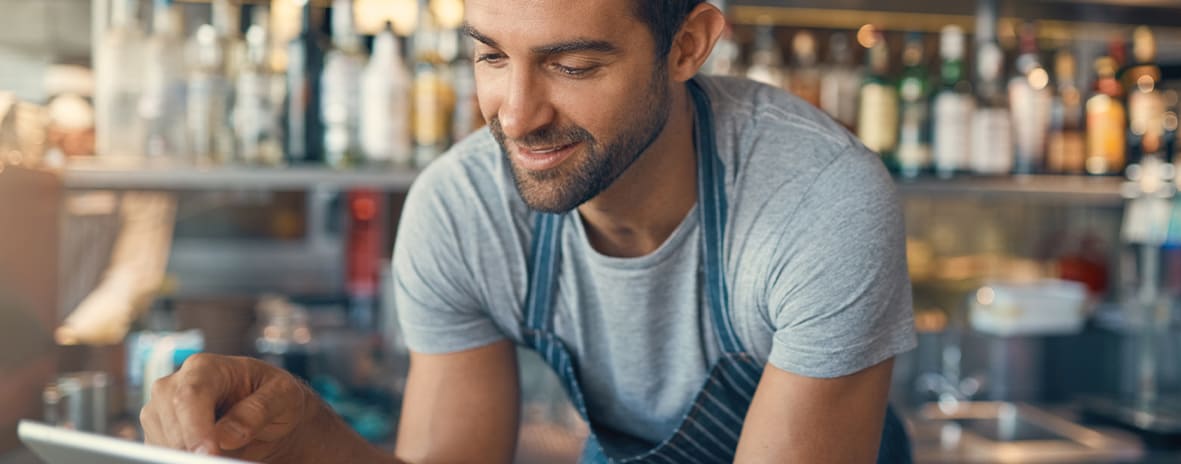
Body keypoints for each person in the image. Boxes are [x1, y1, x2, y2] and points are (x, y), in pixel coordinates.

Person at [138, 0, 916, 462]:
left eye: (572, 65)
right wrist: (302, 431)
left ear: (686, 45)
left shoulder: (819, 202)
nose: (514, 115)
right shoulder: (464, 207)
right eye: (490, 57)